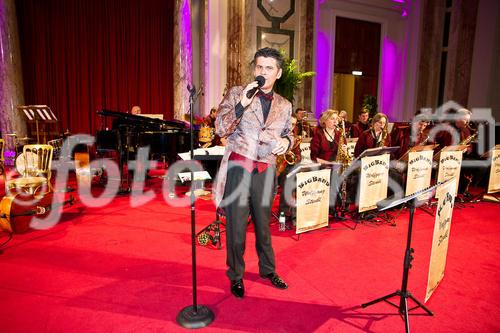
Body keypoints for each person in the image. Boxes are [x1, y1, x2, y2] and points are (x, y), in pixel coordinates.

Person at [215, 47, 292, 298]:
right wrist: (241, 104)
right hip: (240, 164)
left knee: (263, 225)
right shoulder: (238, 93)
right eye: (259, 67)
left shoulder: (285, 105)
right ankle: (236, 275)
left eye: (269, 68)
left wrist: (288, 143)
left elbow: (288, 134)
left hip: (266, 169)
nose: (263, 72)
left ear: (278, 73)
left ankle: (268, 270)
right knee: (236, 226)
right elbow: (220, 128)